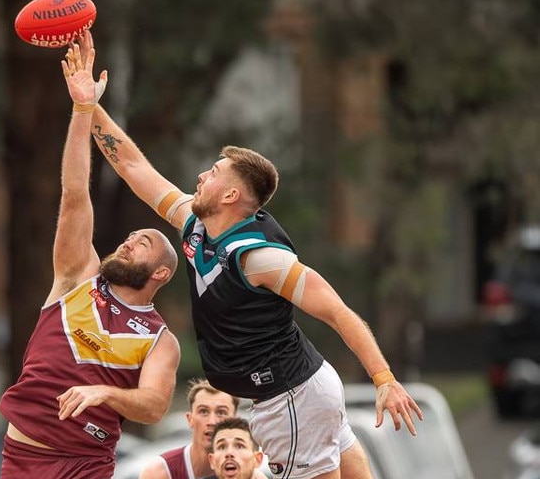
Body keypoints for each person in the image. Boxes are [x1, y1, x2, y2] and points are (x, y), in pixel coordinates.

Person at [65, 32, 424, 479]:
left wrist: (384, 379)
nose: (200, 174)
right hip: (301, 392)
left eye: (212, 172)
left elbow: (338, 312)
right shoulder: (197, 224)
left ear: (232, 194)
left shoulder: (259, 259)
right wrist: (87, 104)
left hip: (290, 399)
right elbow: (135, 168)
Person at [0, 43, 181, 479]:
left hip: (86, 466)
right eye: (131, 236)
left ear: (160, 273)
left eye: (143, 243)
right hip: (22, 459)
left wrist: (104, 393)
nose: (128, 243)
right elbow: (75, 196)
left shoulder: (159, 339)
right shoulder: (80, 277)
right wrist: (83, 109)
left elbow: (154, 406)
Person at [139, 378, 267, 479]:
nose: (212, 422)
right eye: (203, 412)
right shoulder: (161, 471)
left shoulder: (252, 474)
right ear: (190, 419)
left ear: (234, 420)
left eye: (221, 412)